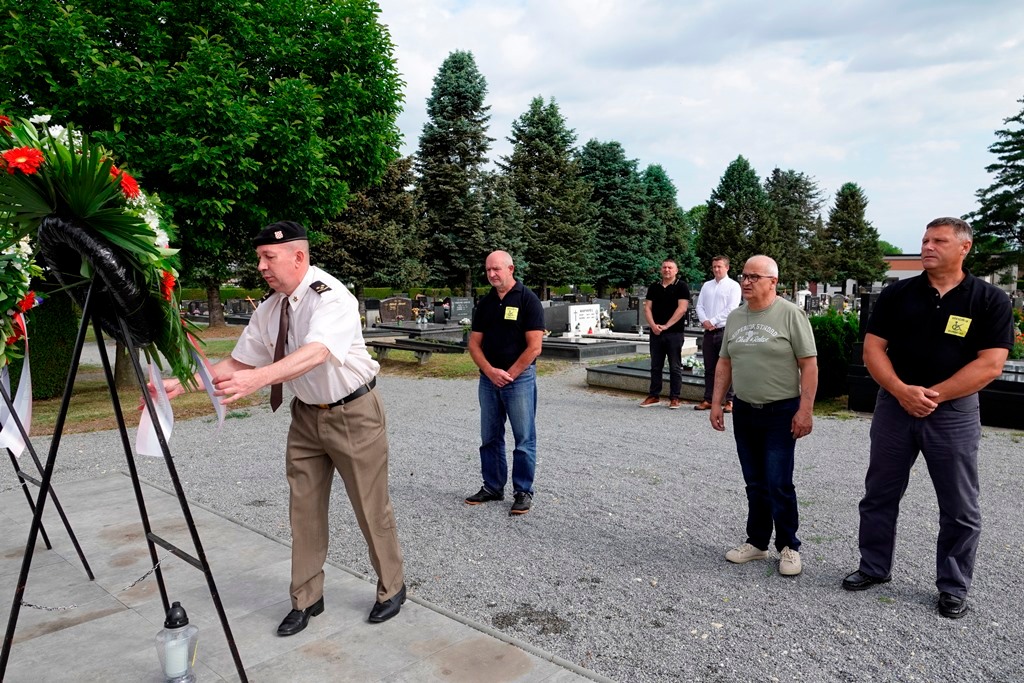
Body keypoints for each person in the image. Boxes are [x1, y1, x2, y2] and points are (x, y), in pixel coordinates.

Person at [158, 221, 405, 635]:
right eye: (259, 258)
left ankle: (392, 587)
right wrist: (181, 385)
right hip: (306, 416)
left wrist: (261, 379)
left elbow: (316, 352)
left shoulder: (332, 297)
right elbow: (239, 362)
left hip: (353, 413)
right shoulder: (272, 307)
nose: (261, 267)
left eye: (268, 257)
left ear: (299, 257)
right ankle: (307, 598)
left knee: (369, 507)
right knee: (303, 510)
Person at [842, 217, 1013, 619]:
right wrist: (903, 391)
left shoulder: (988, 299)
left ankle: (953, 587)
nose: (928, 246)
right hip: (895, 409)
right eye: (924, 239)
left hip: (952, 413)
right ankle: (874, 567)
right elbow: (873, 351)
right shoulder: (898, 294)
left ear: (964, 248)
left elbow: (990, 365)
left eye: (939, 240)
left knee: (959, 505)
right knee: (880, 493)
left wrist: (933, 396)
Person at [710, 255, 817, 577]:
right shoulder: (737, 317)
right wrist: (717, 402)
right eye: (744, 275)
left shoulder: (790, 314)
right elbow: (724, 363)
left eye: (754, 276)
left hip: (781, 411)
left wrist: (806, 410)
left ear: (773, 282)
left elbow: (809, 364)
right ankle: (757, 543)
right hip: (744, 409)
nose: (746, 281)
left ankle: (789, 546)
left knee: (778, 482)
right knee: (754, 482)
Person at [464, 251, 545, 516]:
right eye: (488, 270)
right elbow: (474, 344)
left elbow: (534, 347)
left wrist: (508, 374)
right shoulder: (486, 303)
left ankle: (523, 491)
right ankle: (492, 486)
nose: (491, 274)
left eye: (496, 269)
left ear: (511, 268)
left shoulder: (528, 300)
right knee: (489, 437)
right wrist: (489, 371)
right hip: (489, 380)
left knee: (523, 439)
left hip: (518, 380)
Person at [640, 259, 691, 409]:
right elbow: (647, 308)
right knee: (656, 365)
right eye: (664, 267)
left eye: (670, 267)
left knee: (675, 366)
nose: (667, 270)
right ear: (661, 270)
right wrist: (653, 326)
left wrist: (667, 325)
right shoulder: (654, 287)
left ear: (676, 270)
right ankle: (654, 395)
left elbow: (681, 309)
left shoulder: (681, 287)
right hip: (656, 332)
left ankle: (675, 397)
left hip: (674, 333)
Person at [694, 255, 742, 412]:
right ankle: (708, 399)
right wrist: (705, 321)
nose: (716, 269)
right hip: (708, 332)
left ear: (727, 267)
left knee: (728, 366)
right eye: (714, 266)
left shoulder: (733, 286)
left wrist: (713, 320)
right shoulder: (707, 285)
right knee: (709, 367)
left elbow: (732, 308)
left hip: (724, 331)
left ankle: (730, 400)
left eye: (719, 266)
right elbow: (699, 305)